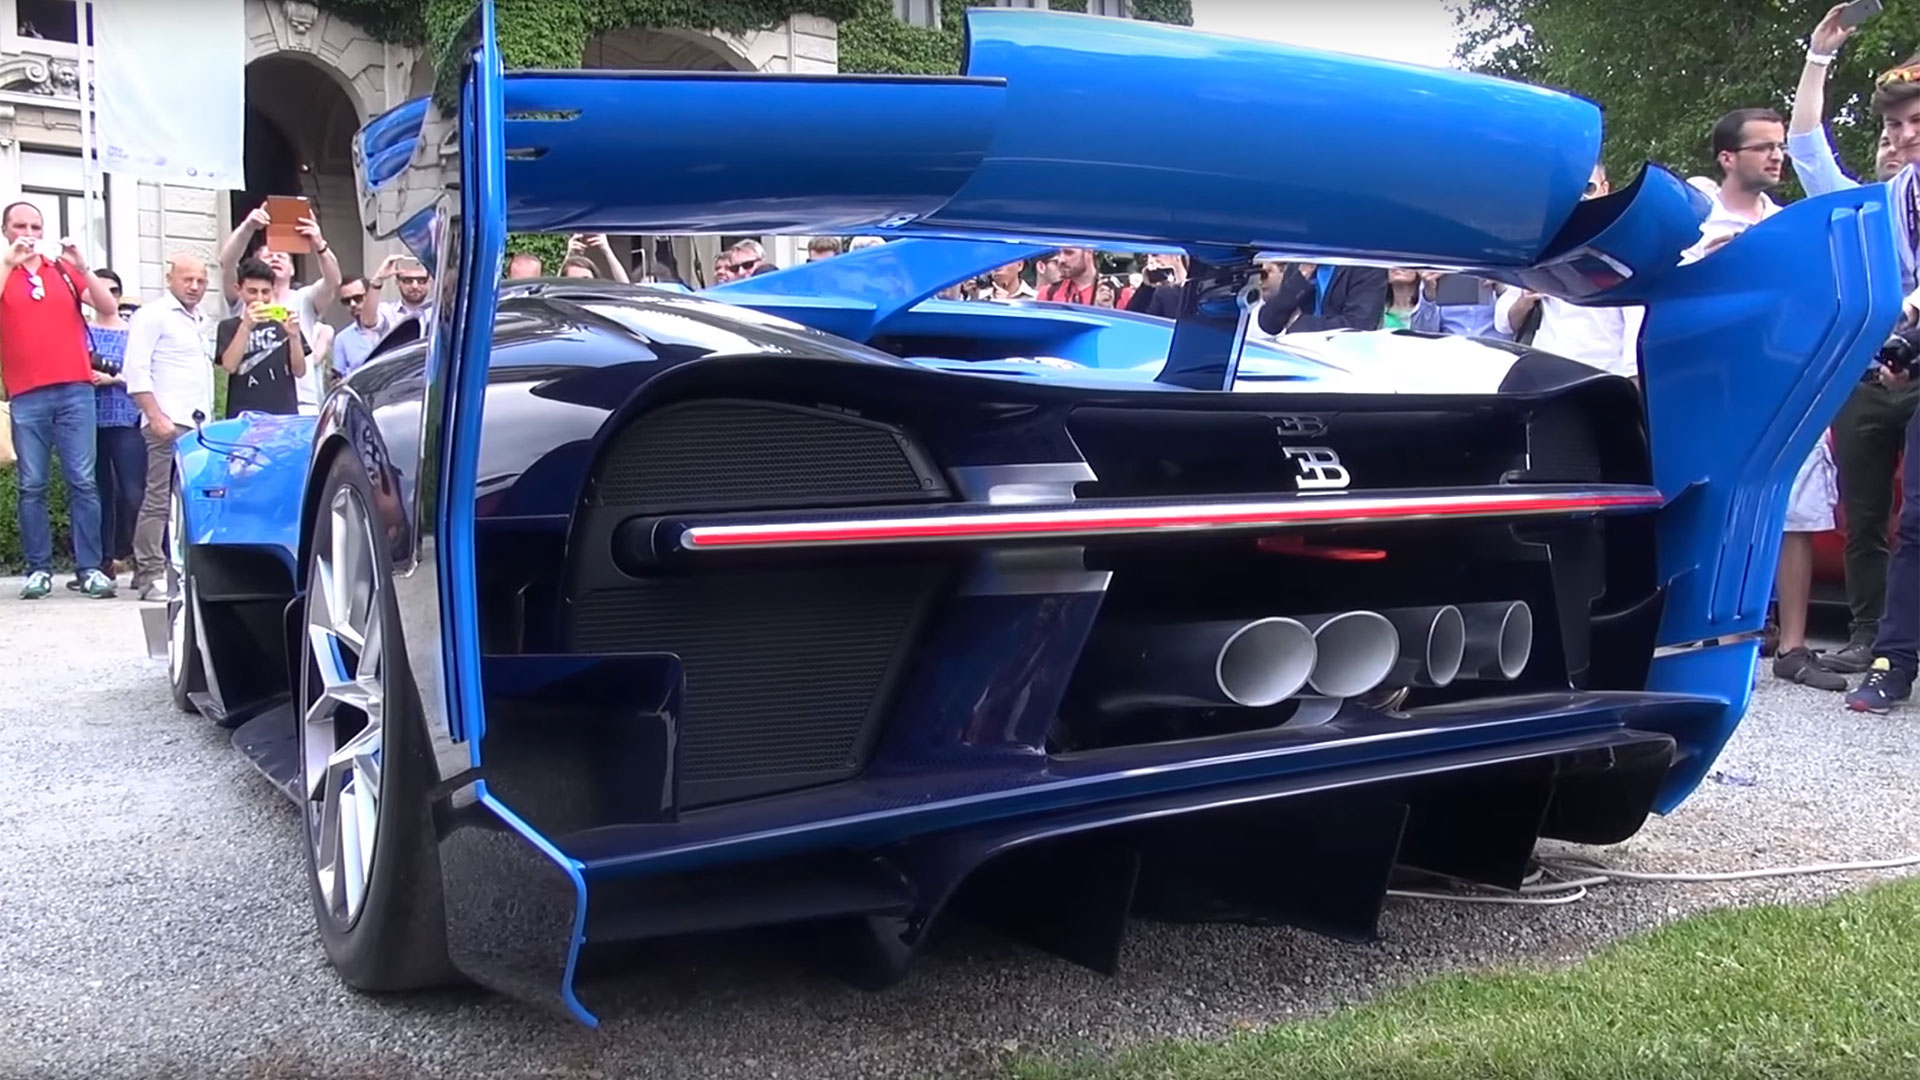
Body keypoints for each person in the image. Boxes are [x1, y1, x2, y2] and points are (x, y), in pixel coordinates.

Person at [0, 200, 117, 599]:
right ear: (6, 231)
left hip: (75, 389)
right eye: (20, 226)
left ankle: (89, 568)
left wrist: (83, 266)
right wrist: (8, 263)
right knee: (32, 484)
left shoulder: (62, 270)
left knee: (82, 480)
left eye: (35, 226)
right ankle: (38, 569)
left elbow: (108, 307)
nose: (28, 234)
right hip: (26, 392)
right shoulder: (5, 271)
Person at [215, 258, 307, 418]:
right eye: (252, 291)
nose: (259, 298)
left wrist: (294, 336)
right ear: (239, 290)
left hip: (283, 413)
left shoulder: (284, 322)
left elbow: (299, 371)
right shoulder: (228, 326)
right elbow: (229, 366)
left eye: (265, 292)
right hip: (243, 414)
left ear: (273, 290)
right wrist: (245, 327)